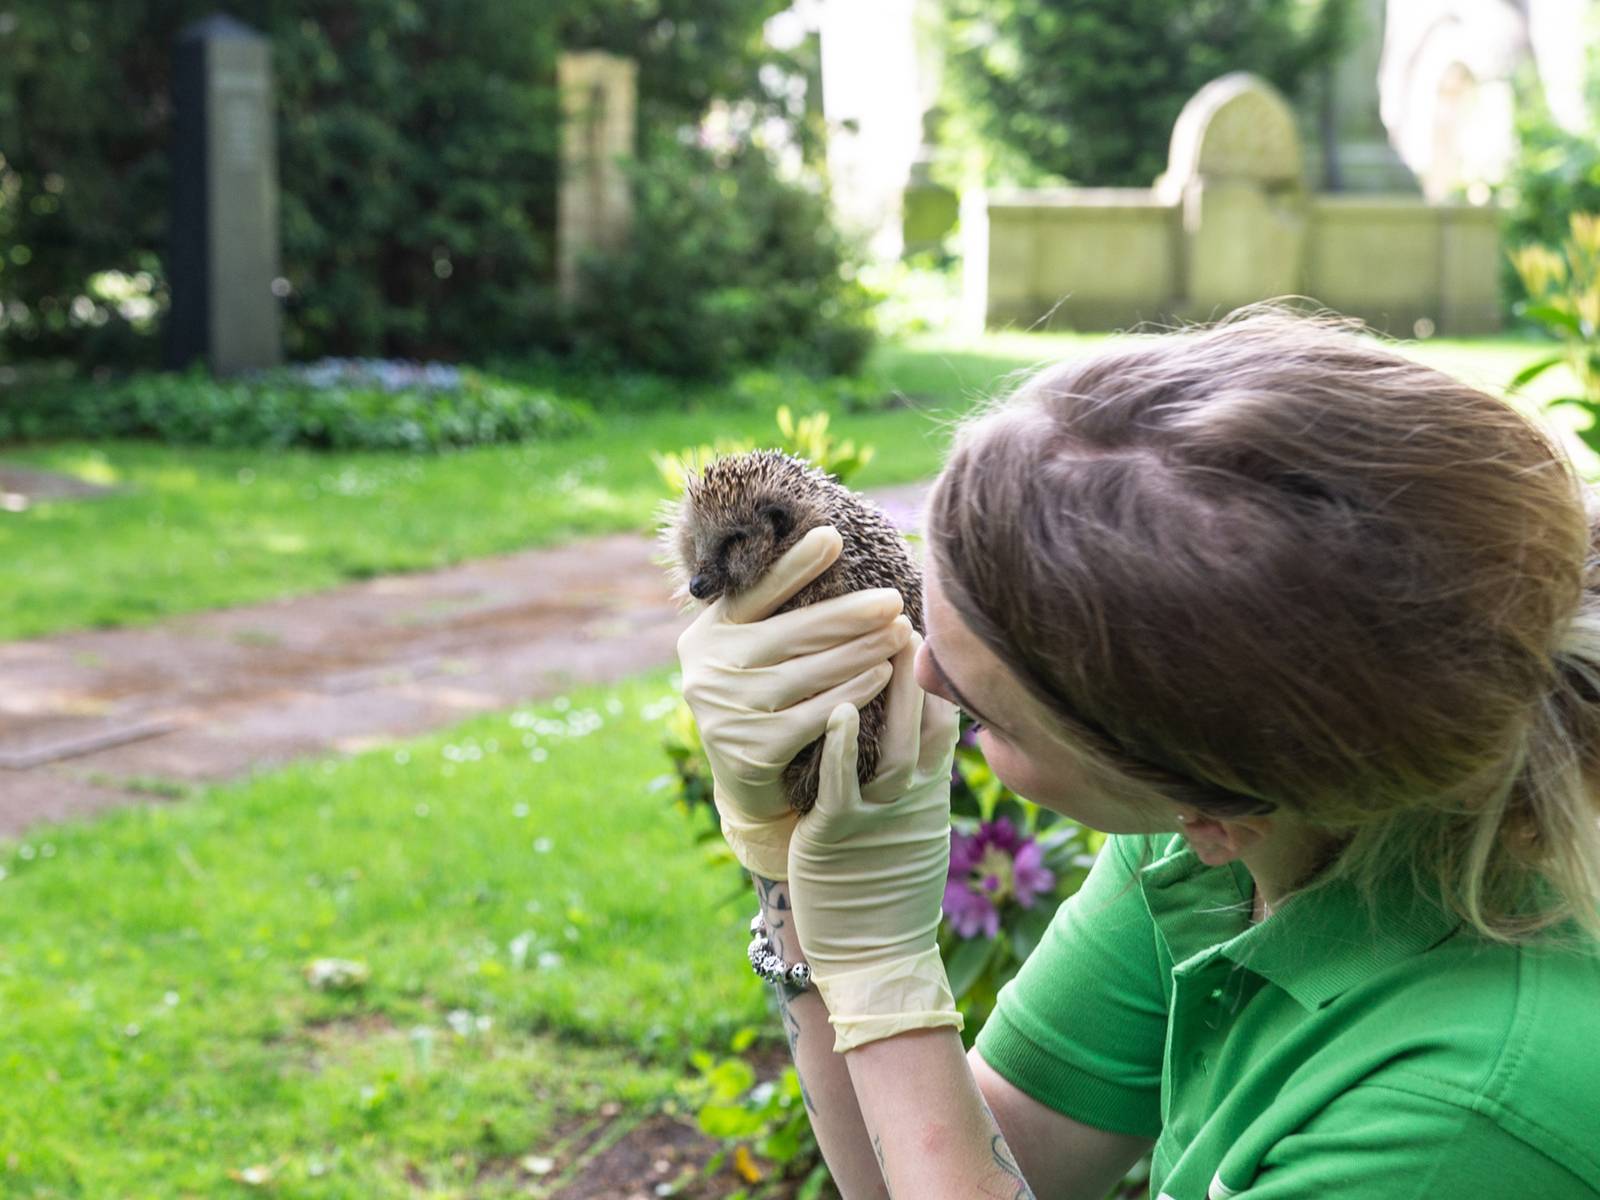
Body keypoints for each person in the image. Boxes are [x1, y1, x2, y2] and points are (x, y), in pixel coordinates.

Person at [675, 308, 1600, 1199]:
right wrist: (785, 862)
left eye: (989, 718)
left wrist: (883, 971)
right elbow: (940, 1173)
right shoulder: (1210, 853)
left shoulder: (1468, 1113)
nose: (920, 676)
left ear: (1217, 814)